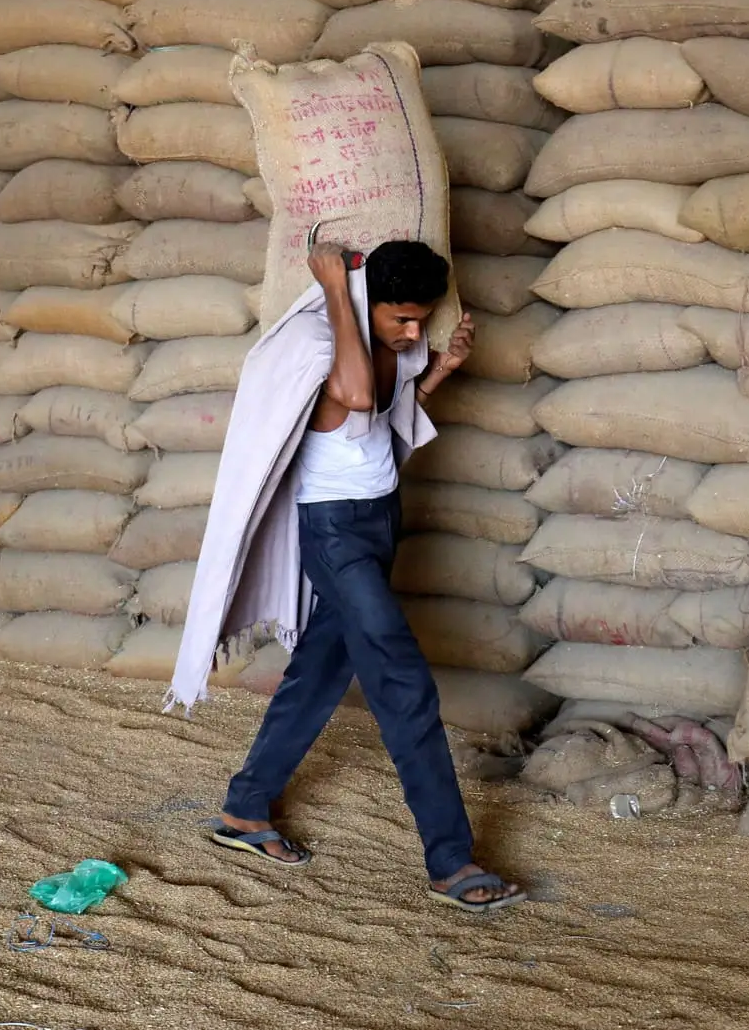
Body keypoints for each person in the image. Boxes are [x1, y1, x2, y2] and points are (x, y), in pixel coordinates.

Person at [206, 238, 527, 915]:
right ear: (364, 303)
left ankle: (244, 808)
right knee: (403, 682)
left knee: (320, 668)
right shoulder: (324, 342)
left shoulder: (382, 344)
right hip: (336, 534)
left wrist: (438, 371)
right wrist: (335, 288)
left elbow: (382, 419)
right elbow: (352, 395)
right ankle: (450, 859)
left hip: (379, 520)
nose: (414, 332)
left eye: (422, 319)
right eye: (402, 318)